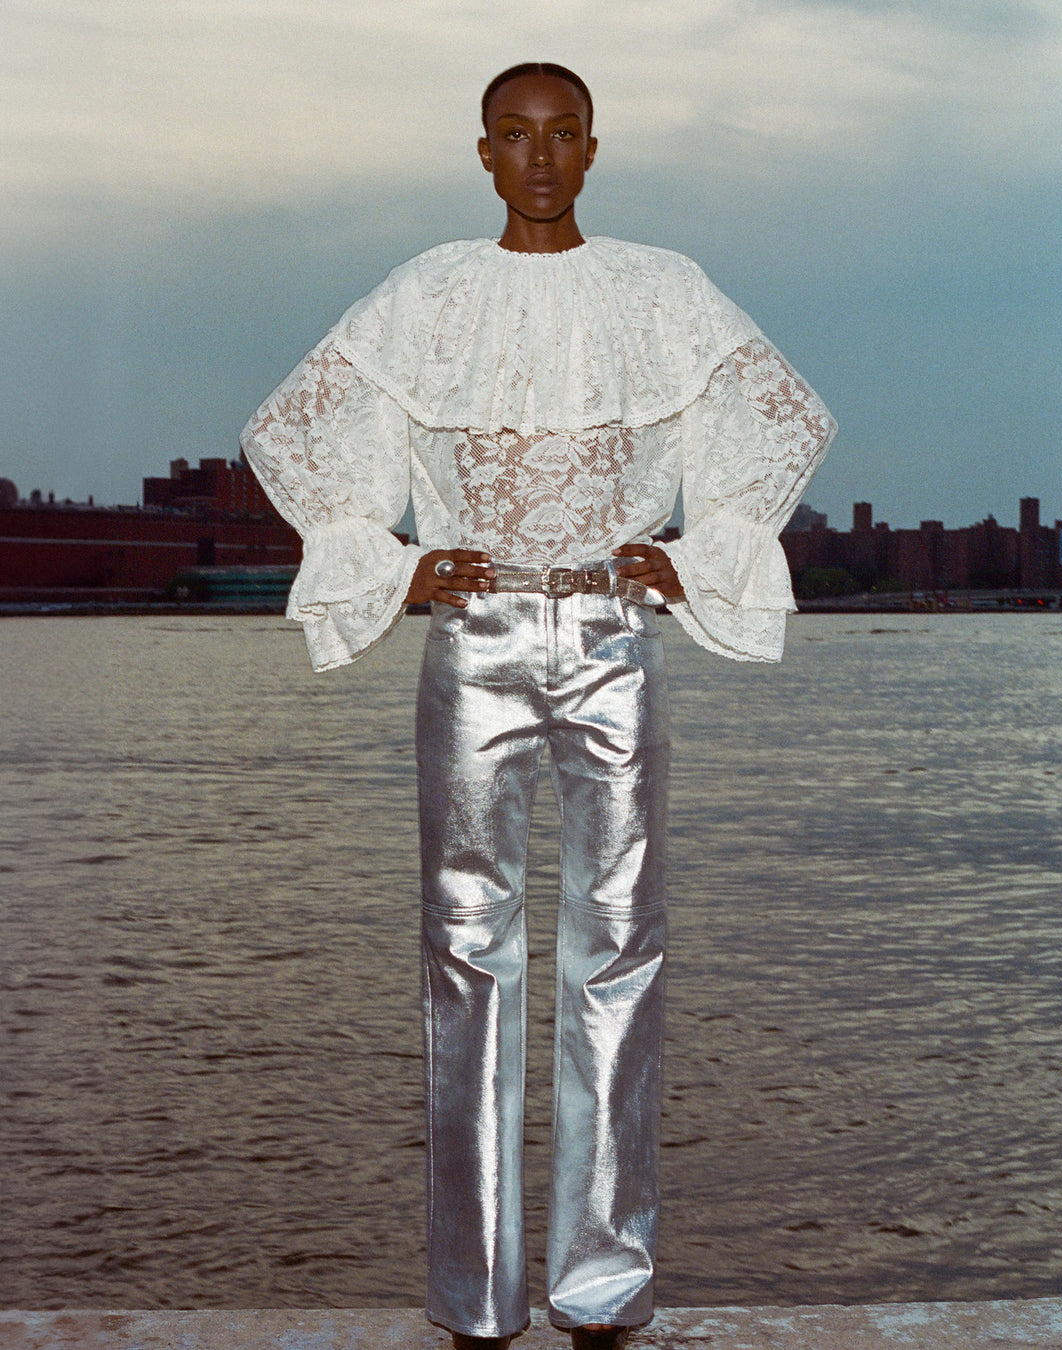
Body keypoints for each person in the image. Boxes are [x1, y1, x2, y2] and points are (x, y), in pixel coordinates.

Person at [241, 62, 836, 1350]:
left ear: (594, 147)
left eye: (563, 135)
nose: (542, 157)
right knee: (466, 951)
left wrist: (701, 547)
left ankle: (604, 1284)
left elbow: (777, 418)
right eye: (516, 136)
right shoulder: (431, 292)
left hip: (618, 633)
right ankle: (476, 1291)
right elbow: (296, 430)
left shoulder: (663, 290)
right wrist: (391, 564)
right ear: (484, 153)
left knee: (621, 947)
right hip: (477, 636)